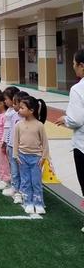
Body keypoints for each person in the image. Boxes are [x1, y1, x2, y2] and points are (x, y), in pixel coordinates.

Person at [56, 49, 84, 232]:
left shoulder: (78, 89)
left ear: (82, 66)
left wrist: (65, 119)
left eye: (74, 64)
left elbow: (76, 119)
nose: (73, 68)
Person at [14, 95, 49, 215]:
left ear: (31, 110)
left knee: (36, 181)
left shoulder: (39, 125)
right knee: (25, 181)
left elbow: (45, 143)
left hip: (36, 158)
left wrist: (43, 157)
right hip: (22, 157)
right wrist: (16, 155)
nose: (19, 110)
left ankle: (38, 203)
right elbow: (15, 141)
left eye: (22, 108)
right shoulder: (18, 124)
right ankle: (27, 202)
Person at [0, 87, 22, 202]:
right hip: (9, 142)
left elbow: (12, 129)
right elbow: (7, 129)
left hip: (15, 145)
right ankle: (15, 187)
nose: (5, 101)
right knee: (13, 167)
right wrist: (5, 141)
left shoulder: (16, 113)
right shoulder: (10, 112)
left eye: (7, 99)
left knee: (16, 168)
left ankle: (17, 189)